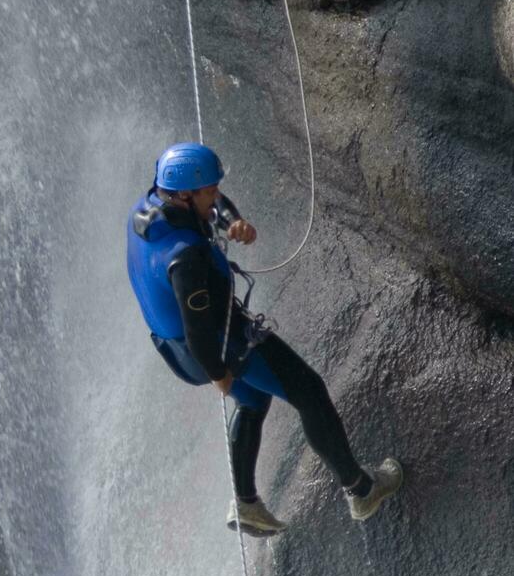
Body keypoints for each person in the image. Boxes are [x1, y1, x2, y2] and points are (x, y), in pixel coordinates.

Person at [125, 142, 401, 536]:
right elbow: (200, 330)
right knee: (308, 390)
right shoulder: (183, 259)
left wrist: (231, 221)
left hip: (175, 351)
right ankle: (362, 490)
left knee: (254, 398)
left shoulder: (150, 207)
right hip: (217, 343)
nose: (216, 196)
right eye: (209, 193)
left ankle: (245, 503)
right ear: (185, 196)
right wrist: (220, 373)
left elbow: (210, 202)